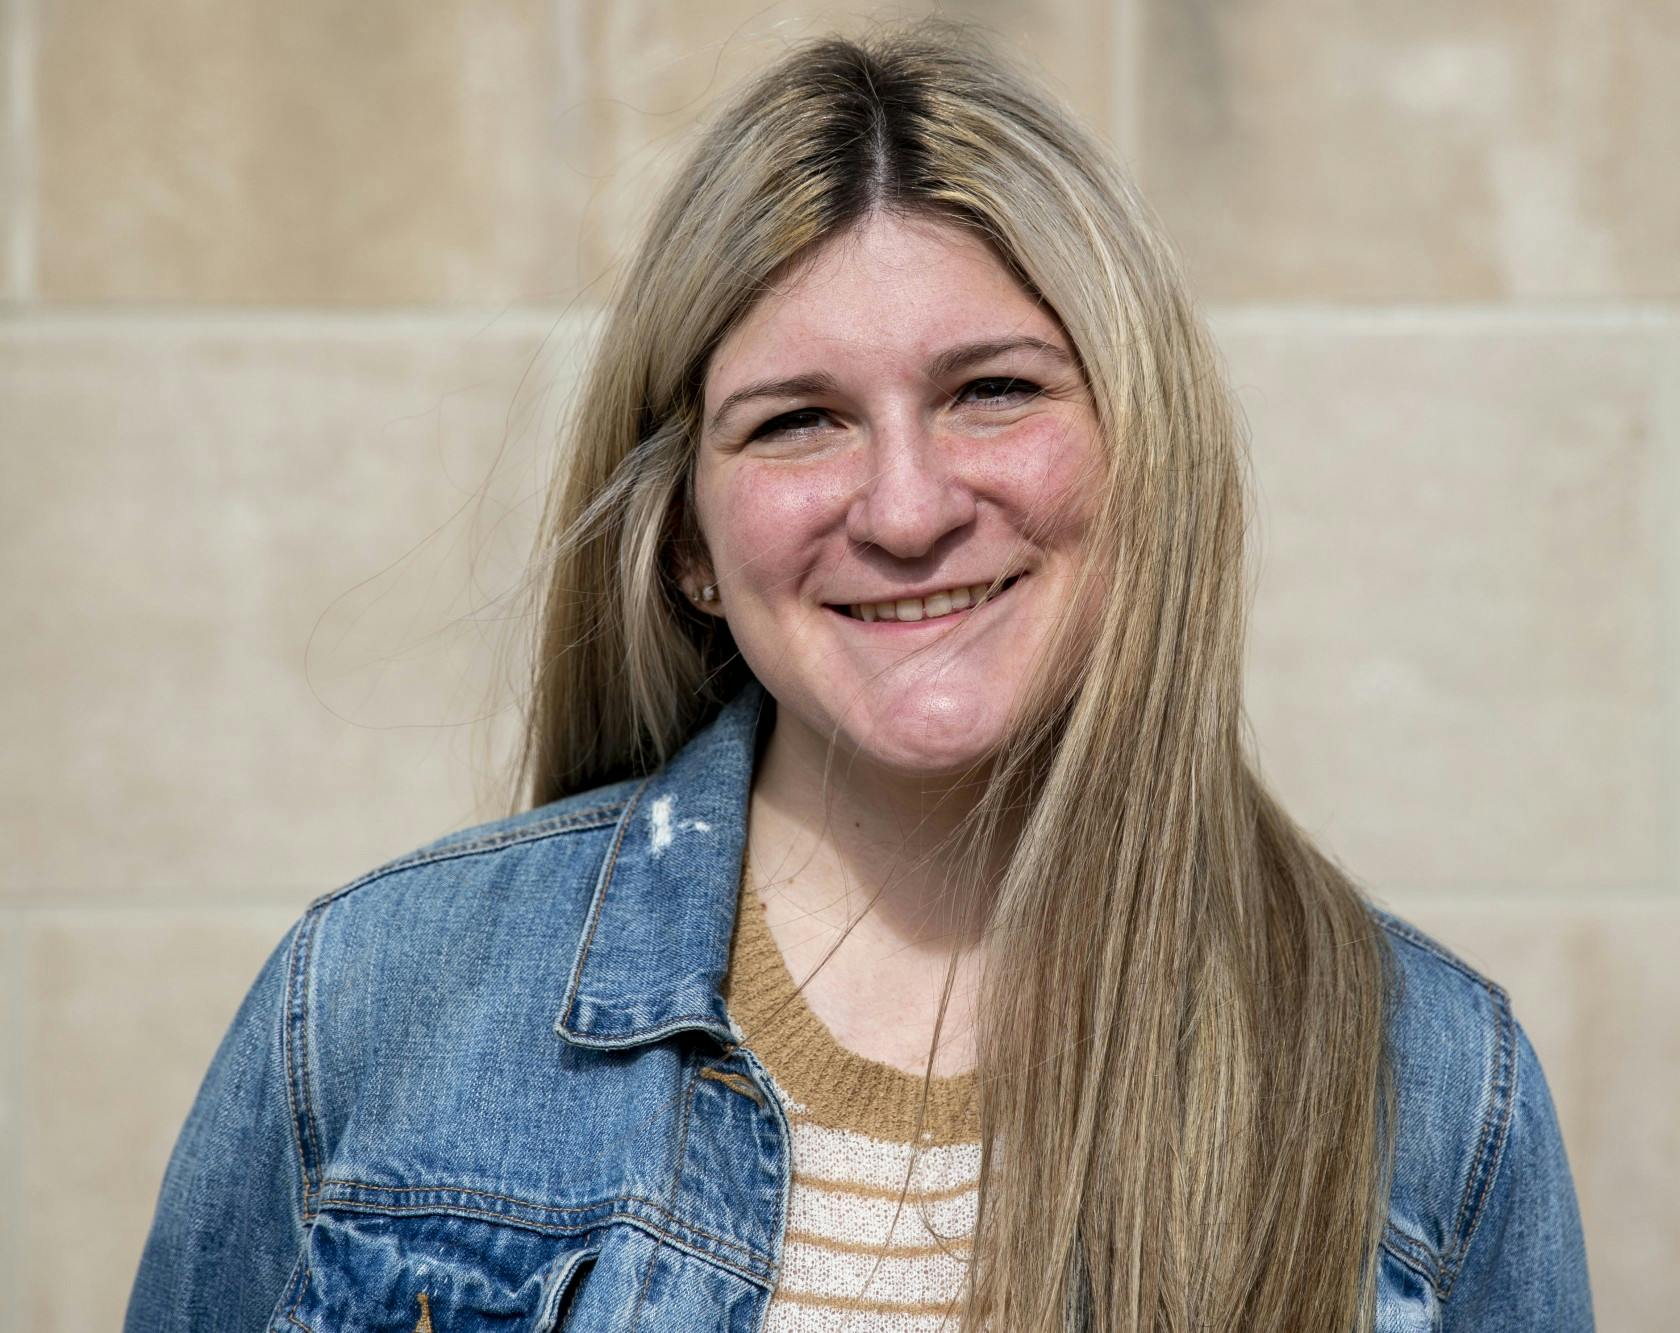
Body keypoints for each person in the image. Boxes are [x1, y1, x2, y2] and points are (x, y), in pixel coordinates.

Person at [124, 23, 1591, 1332]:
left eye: (992, 391)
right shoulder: (377, 1005)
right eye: (797, 422)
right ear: (691, 540)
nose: (903, 510)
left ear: (1147, 454)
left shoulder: (1437, 1092)